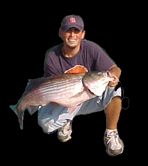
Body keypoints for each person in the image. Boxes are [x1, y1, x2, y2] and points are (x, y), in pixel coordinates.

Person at [38, 15, 124, 156]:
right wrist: (56, 101)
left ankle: (111, 133)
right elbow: (50, 88)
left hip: (88, 95)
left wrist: (114, 77)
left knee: (116, 88)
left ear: (82, 34)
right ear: (61, 33)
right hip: (65, 100)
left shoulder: (91, 48)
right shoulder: (52, 55)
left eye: (76, 31)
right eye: (68, 30)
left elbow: (115, 69)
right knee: (46, 125)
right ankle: (67, 119)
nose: (72, 35)